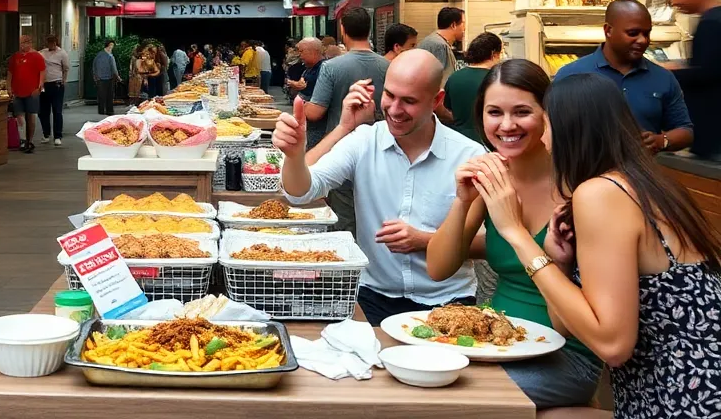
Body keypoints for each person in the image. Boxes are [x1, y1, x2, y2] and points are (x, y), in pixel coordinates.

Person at [473, 73, 721, 418]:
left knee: (474, 402)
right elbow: (566, 326)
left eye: (547, 125)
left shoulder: (601, 193)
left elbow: (613, 346)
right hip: (675, 397)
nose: (543, 139)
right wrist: (557, 264)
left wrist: (515, 233)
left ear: (570, 130)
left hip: (684, 404)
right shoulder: (645, 183)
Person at [427, 60, 601, 409]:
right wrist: (462, 201)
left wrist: (514, 228)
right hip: (494, 344)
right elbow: (438, 268)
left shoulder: (581, 186)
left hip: (569, 357)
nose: (506, 125)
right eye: (494, 112)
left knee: (450, 404)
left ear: (547, 116)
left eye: (522, 112)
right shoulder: (492, 176)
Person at [273, 49, 485, 326]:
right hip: (373, 297)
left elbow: (489, 243)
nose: (395, 110)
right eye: (390, 96)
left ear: (437, 100)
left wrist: (424, 240)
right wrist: (294, 154)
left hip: (449, 302)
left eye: (409, 101)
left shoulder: (469, 155)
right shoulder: (365, 140)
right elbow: (301, 192)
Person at [556, 0, 693, 153]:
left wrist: (661, 141)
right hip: (586, 174)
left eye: (647, 33)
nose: (642, 40)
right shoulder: (571, 75)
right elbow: (551, 130)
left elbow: (685, 131)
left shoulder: (663, 78)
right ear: (608, 30)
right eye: (632, 33)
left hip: (642, 174)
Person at [300, 7, 390, 234]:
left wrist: (302, 103)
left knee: (344, 222)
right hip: (382, 150)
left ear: (342, 30)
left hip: (340, 149)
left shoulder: (332, 67)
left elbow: (315, 113)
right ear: (369, 29)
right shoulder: (388, 66)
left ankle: (348, 266)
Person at [668, 0, 721, 159]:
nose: (674, 2)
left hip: (712, 134)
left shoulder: (711, 23)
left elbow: (708, 73)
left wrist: (672, 72)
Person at [443, 32, 503, 142]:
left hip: (458, 140)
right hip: (487, 141)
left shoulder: (455, 77)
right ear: (494, 54)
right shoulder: (496, 80)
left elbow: (447, 109)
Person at [419, 7, 465, 123]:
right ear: (454, 25)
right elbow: (440, 84)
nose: (464, 28)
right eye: (463, 23)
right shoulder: (439, 46)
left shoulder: (432, 41)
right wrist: (448, 114)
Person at [9, 34, 46, 152]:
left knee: (31, 115)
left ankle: (29, 140)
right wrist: (9, 87)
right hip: (17, 91)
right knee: (19, 115)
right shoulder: (15, 57)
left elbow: (42, 72)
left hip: (32, 91)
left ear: (30, 43)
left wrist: (39, 86)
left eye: (24, 42)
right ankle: (22, 139)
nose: (22, 45)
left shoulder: (37, 56)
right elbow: (10, 73)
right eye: (20, 43)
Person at [39, 35, 69, 147]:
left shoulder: (62, 53)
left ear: (56, 43)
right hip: (44, 84)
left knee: (57, 111)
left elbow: (65, 68)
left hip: (56, 83)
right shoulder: (42, 53)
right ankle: (46, 134)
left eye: (53, 43)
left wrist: (64, 81)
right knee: (43, 111)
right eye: (49, 43)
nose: (51, 45)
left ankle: (57, 136)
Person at [285, 38, 322, 107]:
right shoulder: (308, 68)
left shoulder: (324, 69)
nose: (299, 55)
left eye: (301, 51)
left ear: (313, 52)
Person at [92, 39, 120, 116]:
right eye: (112, 46)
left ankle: (101, 110)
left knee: (101, 95)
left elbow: (94, 66)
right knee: (109, 95)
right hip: (108, 77)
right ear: (110, 46)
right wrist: (118, 77)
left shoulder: (99, 55)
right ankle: (109, 110)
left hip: (100, 78)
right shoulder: (110, 56)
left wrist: (95, 76)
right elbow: (114, 68)